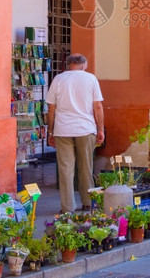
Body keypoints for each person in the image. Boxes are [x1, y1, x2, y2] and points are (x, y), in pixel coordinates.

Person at [46, 54, 104, 214]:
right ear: (83, 65)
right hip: (85, 128)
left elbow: (51, 108)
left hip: (63, 129)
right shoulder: (91, 79)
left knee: (65, 169)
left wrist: (50, 131)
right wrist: (101, 129)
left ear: (68, 64)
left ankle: (67, 207)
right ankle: (87, 202)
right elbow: (98, 106)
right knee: (86, 167)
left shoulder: (58, 79)